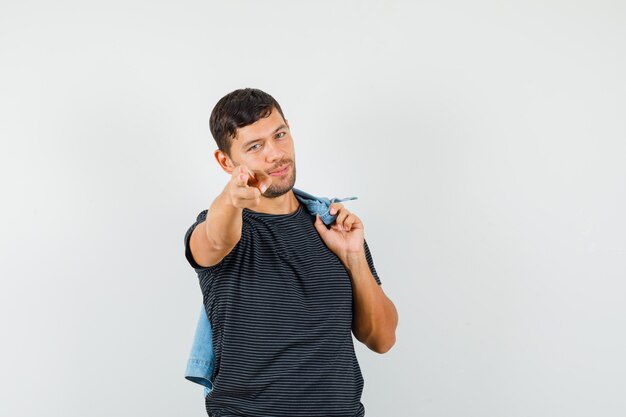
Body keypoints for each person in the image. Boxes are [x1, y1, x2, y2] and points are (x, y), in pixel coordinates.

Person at [184, 88, 398, 417]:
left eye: (280, 135)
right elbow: (213, 239)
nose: (275, 154)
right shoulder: (224, 227)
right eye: (255, 146)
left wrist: (353, 258)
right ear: (226, 161)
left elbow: (382, 339)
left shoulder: (330, 223)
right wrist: (232, 198)